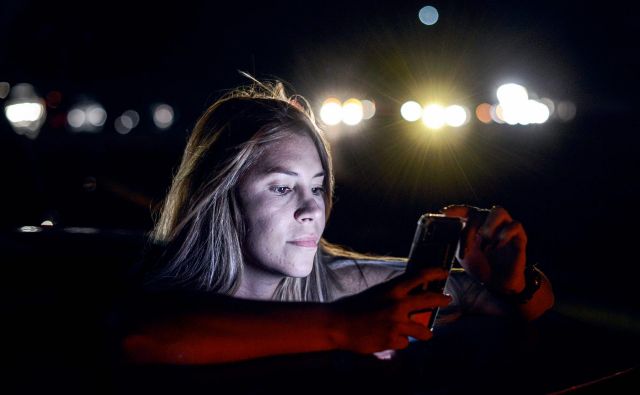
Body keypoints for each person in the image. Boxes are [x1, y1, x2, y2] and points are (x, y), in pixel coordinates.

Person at [120, 76, 554, 365]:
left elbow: (530, 307)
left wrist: (511, 282)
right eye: (282, 187)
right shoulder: (160, 298)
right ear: (220, 196)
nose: (313, 209)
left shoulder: (345, 285)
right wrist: (345, 327)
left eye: (317, 186)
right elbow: (143, 336)